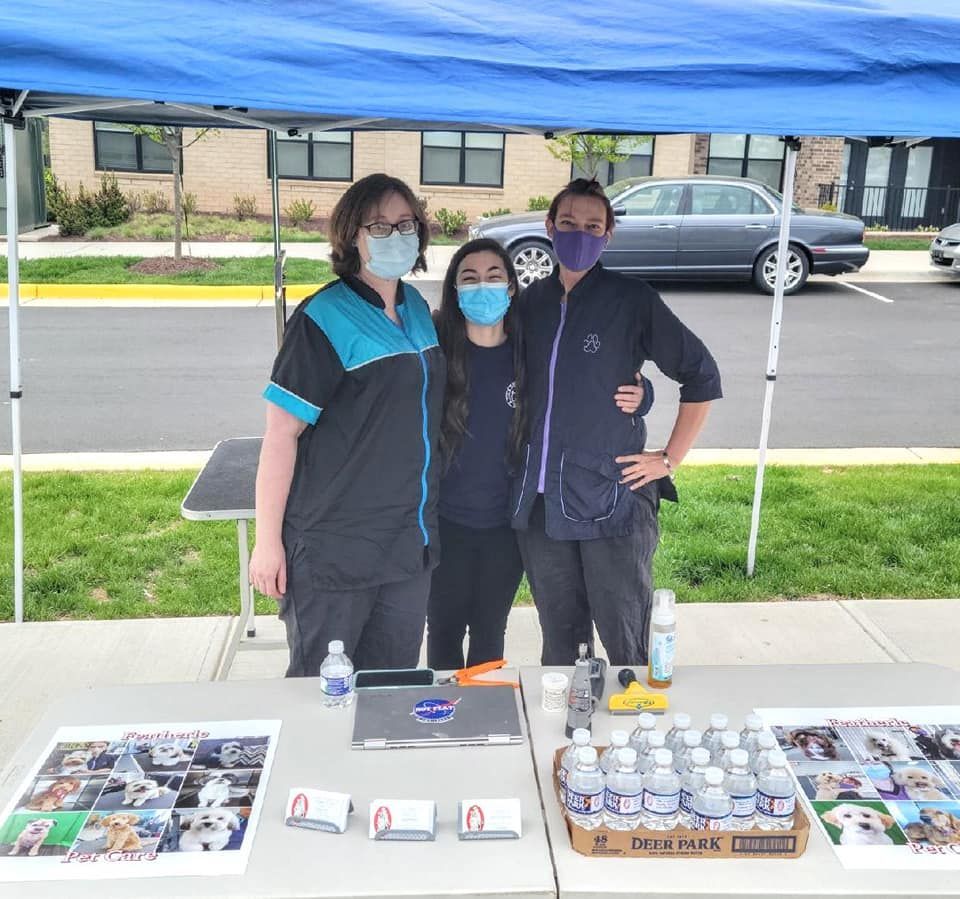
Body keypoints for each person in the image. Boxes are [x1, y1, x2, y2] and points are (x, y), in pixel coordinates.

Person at [512, 178, 722, 667]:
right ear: (549, 227)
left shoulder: (631, 300)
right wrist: (643, 395)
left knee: (627, 638)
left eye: (592, 226)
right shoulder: (528, 304)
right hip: (540, 506)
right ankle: (569, 736)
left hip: (610, 499)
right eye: (568, 224)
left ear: (608, 235)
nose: (579, 235)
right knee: (561, 644)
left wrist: (669, 458)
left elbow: (701, 375)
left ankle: (635, 734)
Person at [249, 173, 444, 676]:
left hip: (407, 545)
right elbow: (281, 436)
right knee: (321, 697)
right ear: (351, 236)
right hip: (335, 550)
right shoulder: (322, 318)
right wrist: (267, 542)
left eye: (405, 224)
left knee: (392, 689)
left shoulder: (417, 309)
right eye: (379, 225)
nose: (396, 235)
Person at [427, 238, 651, 670]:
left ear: (512, 287)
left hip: (507, 524)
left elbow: (593, 382)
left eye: (494, 277)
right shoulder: (437, 352)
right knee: (444, 629)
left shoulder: (530, 351)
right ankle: (446, 724)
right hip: (446, 522)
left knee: (490, 631)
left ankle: (486, 717)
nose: (482, 287)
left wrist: (642, 395)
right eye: (469, 279)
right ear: (454, 291)